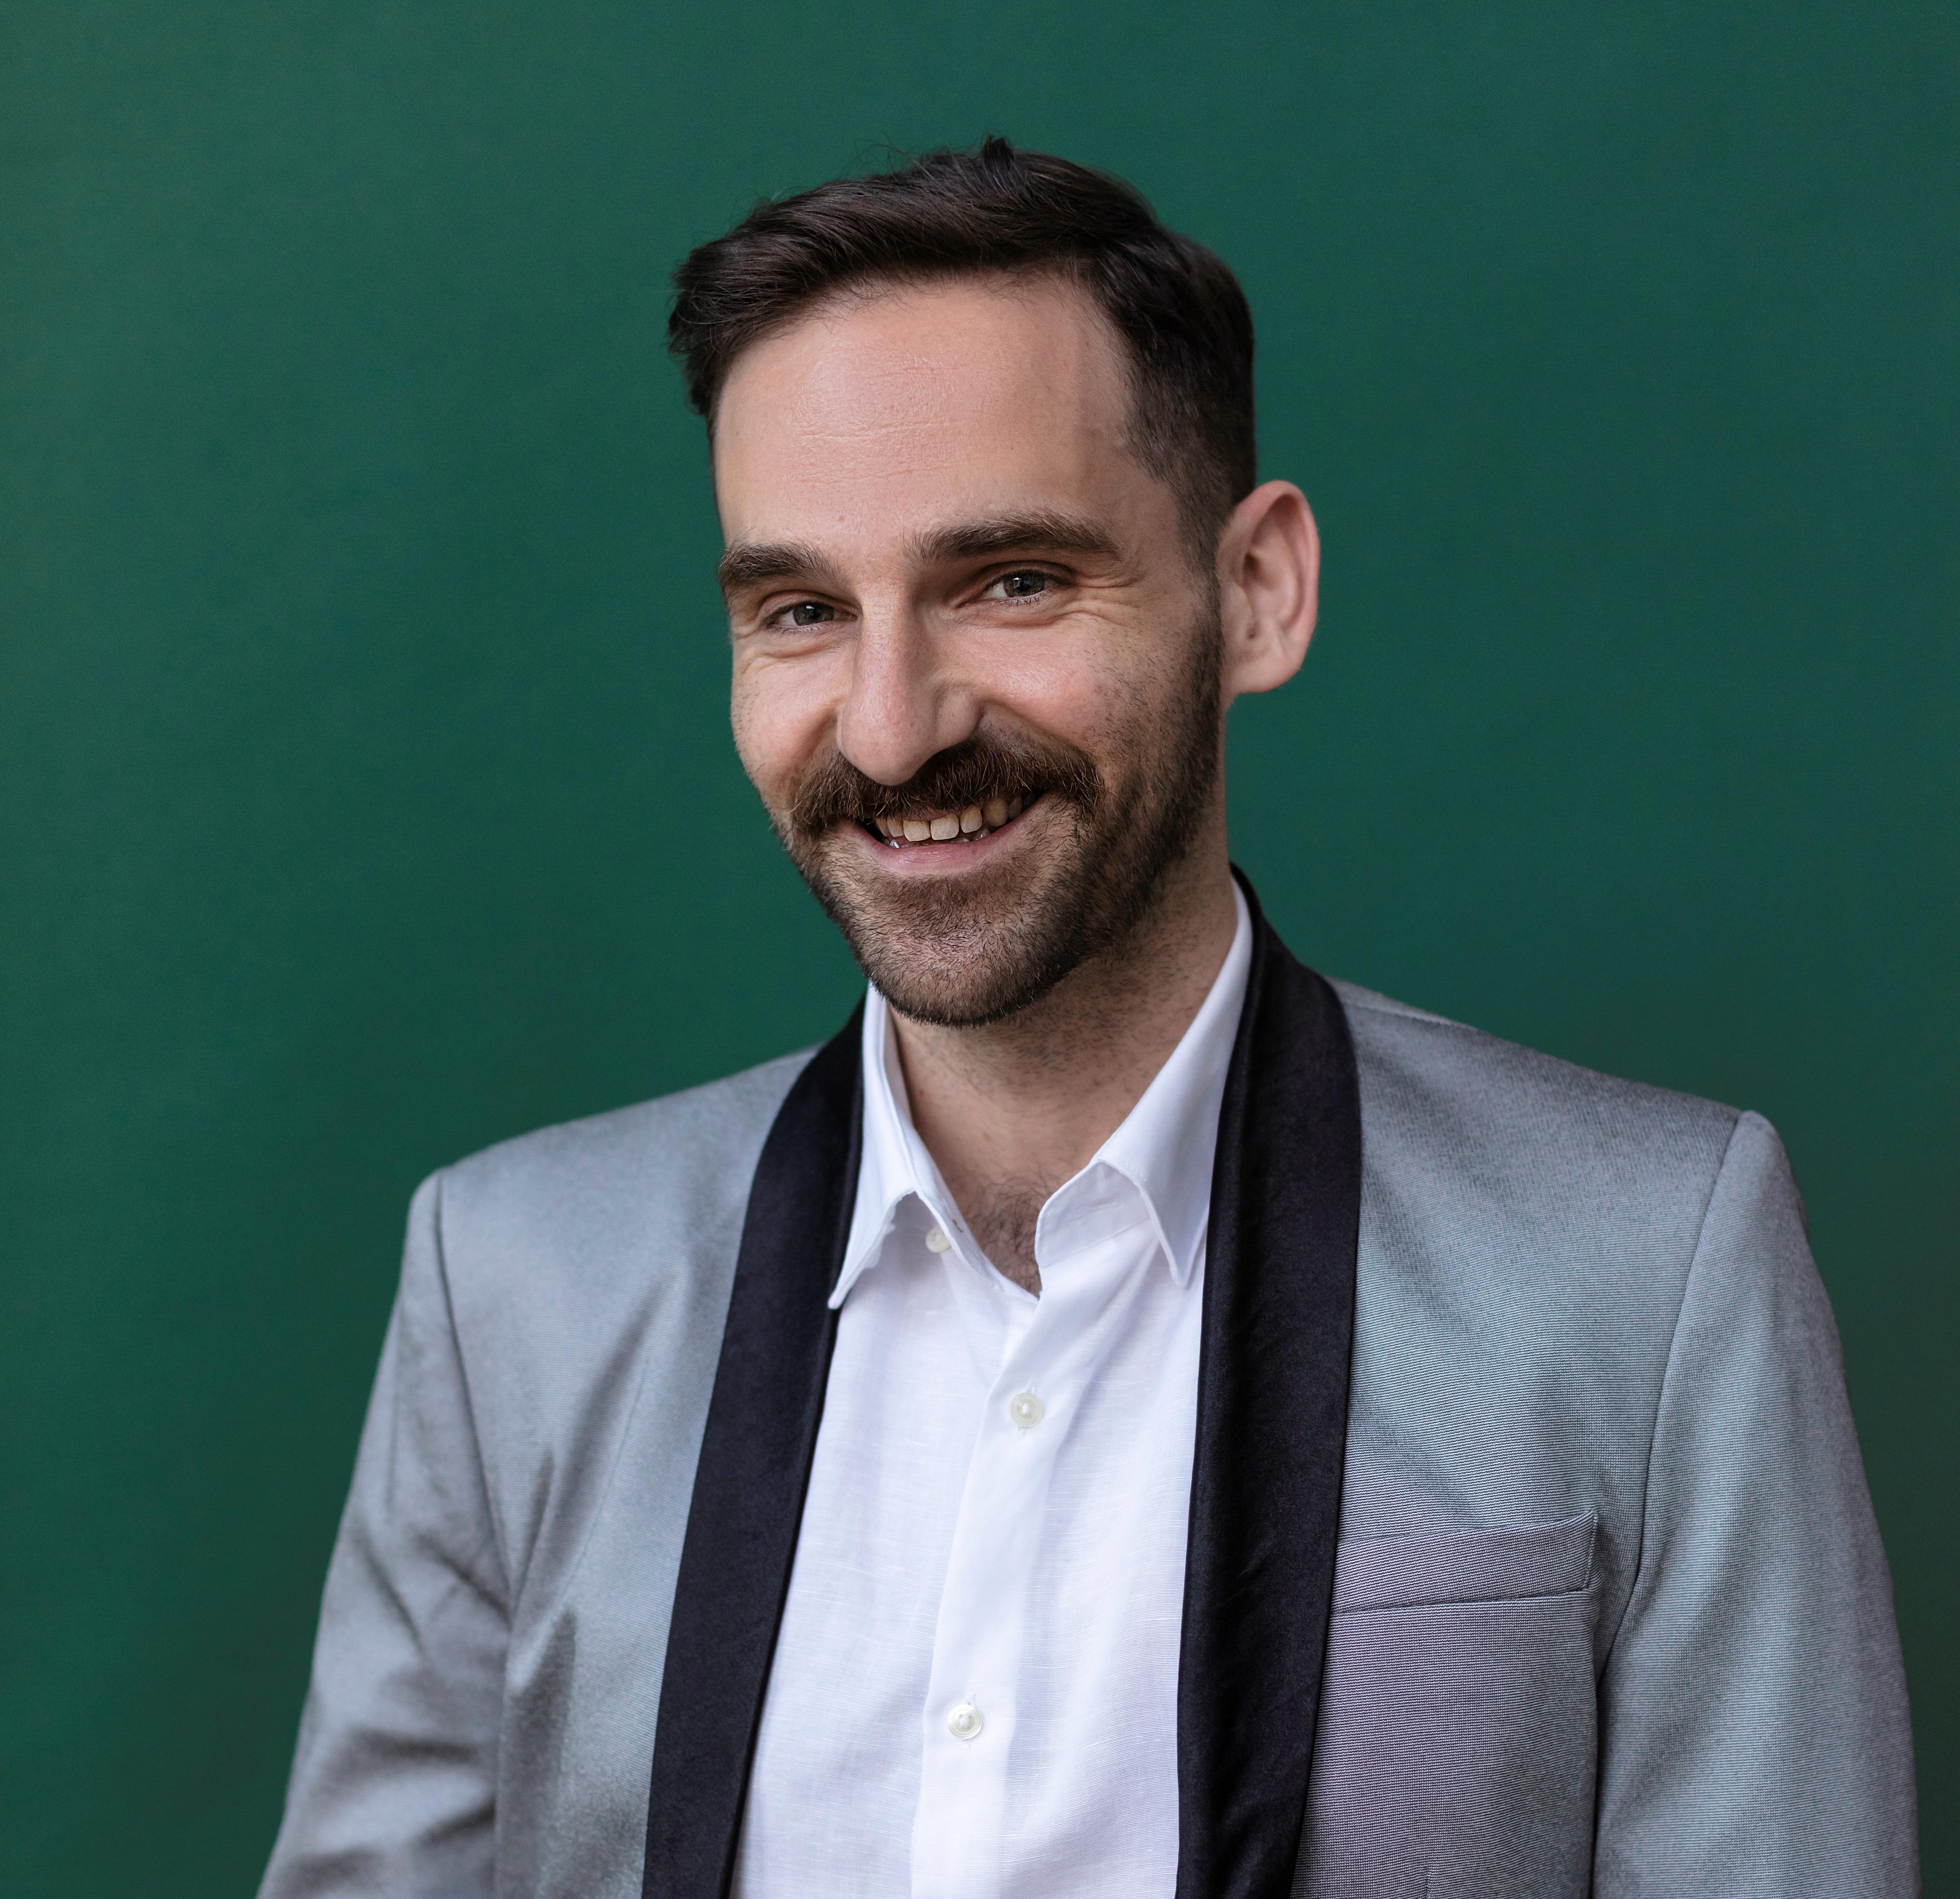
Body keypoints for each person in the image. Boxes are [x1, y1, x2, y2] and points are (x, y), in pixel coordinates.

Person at [258, 140, 1917, 1899]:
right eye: (803, 611)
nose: (891, 731)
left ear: (1257, 591)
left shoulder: (1652, 1270)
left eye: (1013, 582)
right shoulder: (506, 1284)